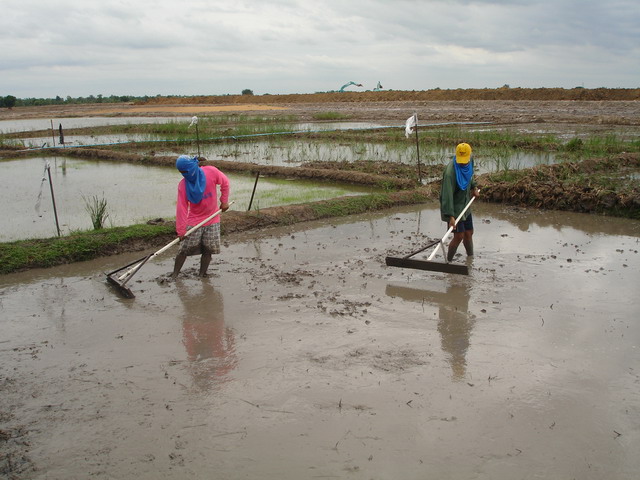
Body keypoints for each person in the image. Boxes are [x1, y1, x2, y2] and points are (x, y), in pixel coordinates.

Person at [173, 155, 230, 278]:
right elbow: (181, 208)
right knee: (184, 250)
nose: (184, 175)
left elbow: (225, 183)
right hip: (194, 221)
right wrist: (181, 230)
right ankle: (174, 274)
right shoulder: (183, 185)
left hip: (212, 218)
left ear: (192, 167)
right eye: (181, 172)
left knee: (208, 250)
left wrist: (224, 201)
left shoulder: (211, 172)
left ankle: (202, 274)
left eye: (185, 171)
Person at [439, 143, 479, 262]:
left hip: (465, 203)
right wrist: (450, 216)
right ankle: (448, 262)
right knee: (459, 236)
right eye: (461, 160)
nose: (463, 162)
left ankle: (470, 258)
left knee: (469, 232)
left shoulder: (470, 160)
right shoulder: (450, 173)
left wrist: (474, 187)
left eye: (465, 160)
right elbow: (447, 196)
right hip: (454, 207)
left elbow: (469, 176)